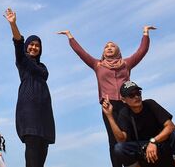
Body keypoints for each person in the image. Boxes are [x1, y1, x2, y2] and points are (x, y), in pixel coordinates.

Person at [58, 25, 155, 167]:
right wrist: (70, 36)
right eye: (106, 47)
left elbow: (142, 50)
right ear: (103, 52)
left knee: (128, 138)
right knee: (113, 140)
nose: (109, 48)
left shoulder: (126, 64)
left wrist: (145, 32)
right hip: (109, 107)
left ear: (118, 51)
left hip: (126, 105)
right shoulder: (97, 65)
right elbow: (81, 53)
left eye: (112, 46)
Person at [5, 8, 55, 167]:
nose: (34, 47)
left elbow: (44, 74)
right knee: (32, 158)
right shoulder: (23, 61)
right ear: (27, 47)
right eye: (31, 45)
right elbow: (18, 43)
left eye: (37, 45)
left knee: (41, 158)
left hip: (44, 116)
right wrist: (13, 24)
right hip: (29, 113)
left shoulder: (42, 67)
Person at [102, 81, 175, 167]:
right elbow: (121, 140)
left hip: (160, 146)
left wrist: (153, 142)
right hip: (142, 153)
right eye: (131, 95)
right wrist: (109, 116)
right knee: (119, 148)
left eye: (138, 93)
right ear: (123, 100)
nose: (136, 97)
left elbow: (171, 127)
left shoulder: (150, 104)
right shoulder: (124, 114)